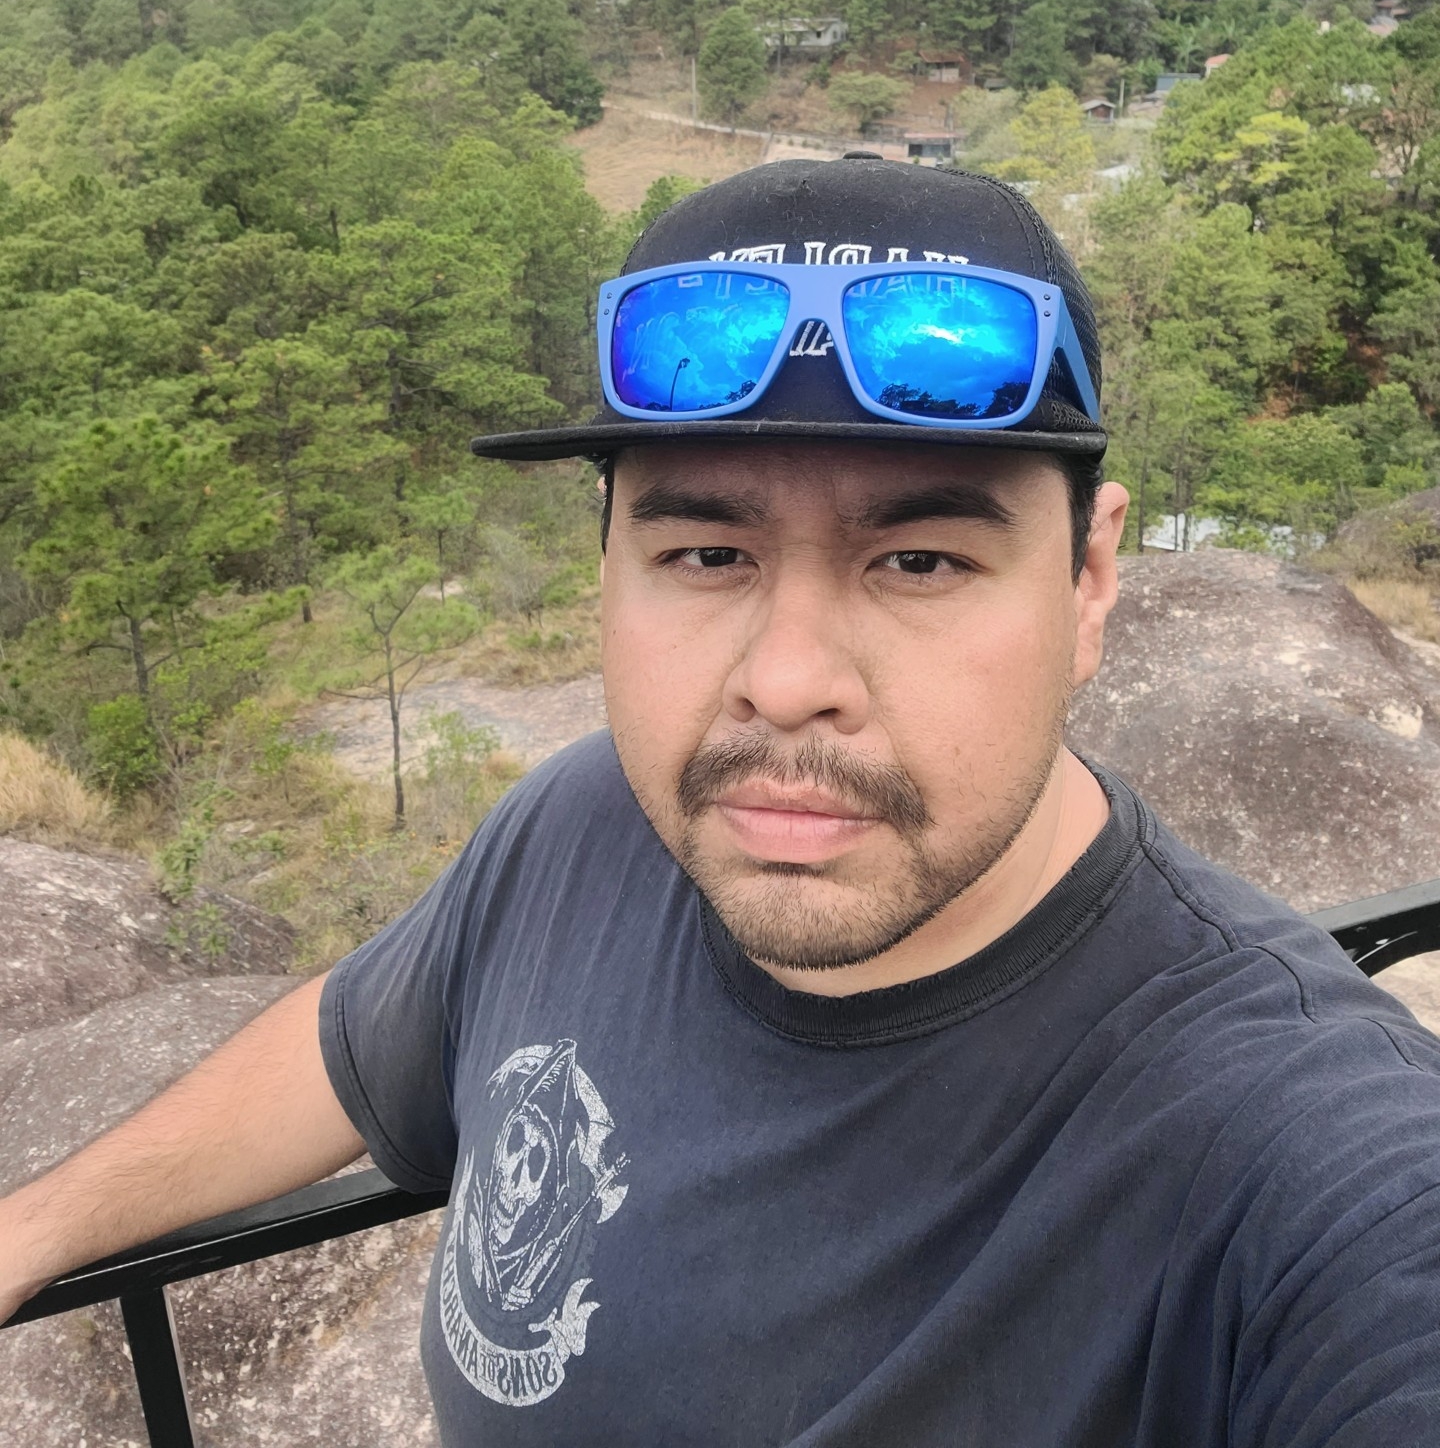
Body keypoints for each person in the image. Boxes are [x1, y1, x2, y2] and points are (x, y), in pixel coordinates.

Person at [4, 156, 1440, 1445]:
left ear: (1090, 581)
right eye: (705, 555)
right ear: (608, 570)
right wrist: (39, 1225)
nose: (788, 681)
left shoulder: (1295, 1156)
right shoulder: (585, 827)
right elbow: (351, 1045)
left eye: (921, 561)